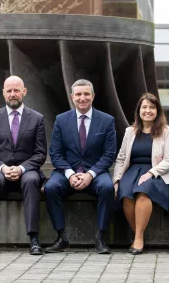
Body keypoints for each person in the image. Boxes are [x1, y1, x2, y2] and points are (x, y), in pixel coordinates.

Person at [0, 76, 47, 255]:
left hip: (28, 170)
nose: (13, 94)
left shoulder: (37, 118)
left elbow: (40, 153)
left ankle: (34, 239)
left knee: (31, 181)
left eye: (16, 90)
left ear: (24, 91)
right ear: (3, 93)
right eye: (9, 91)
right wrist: (3, 167)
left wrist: (21, 168)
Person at [45, 79, 116, 254]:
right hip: (66, 171)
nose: (82, 98)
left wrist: (90, 174)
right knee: (51, 187)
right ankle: (61, 237)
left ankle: (100, 238)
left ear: (93, 96)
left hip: (96, 173)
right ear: (72, 97)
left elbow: (109, 154)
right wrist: (70, 174)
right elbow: (55, 153)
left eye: (86, 94)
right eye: (78, 94)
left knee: (107, 188)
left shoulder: (107, 121)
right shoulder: (61, 120)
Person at [113, 93, 169, 255]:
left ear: (157, 111)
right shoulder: (130, 131)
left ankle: (138, 238)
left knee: (142, 192)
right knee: (125, 194)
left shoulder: (166, 131)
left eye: (152, 107)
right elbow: (121, 159)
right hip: (132, 171)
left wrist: (151, 173)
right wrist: (117, 180)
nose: (148, 111)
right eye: (144, 107)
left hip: (156, 172)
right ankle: (138, 235)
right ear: (139, 111)